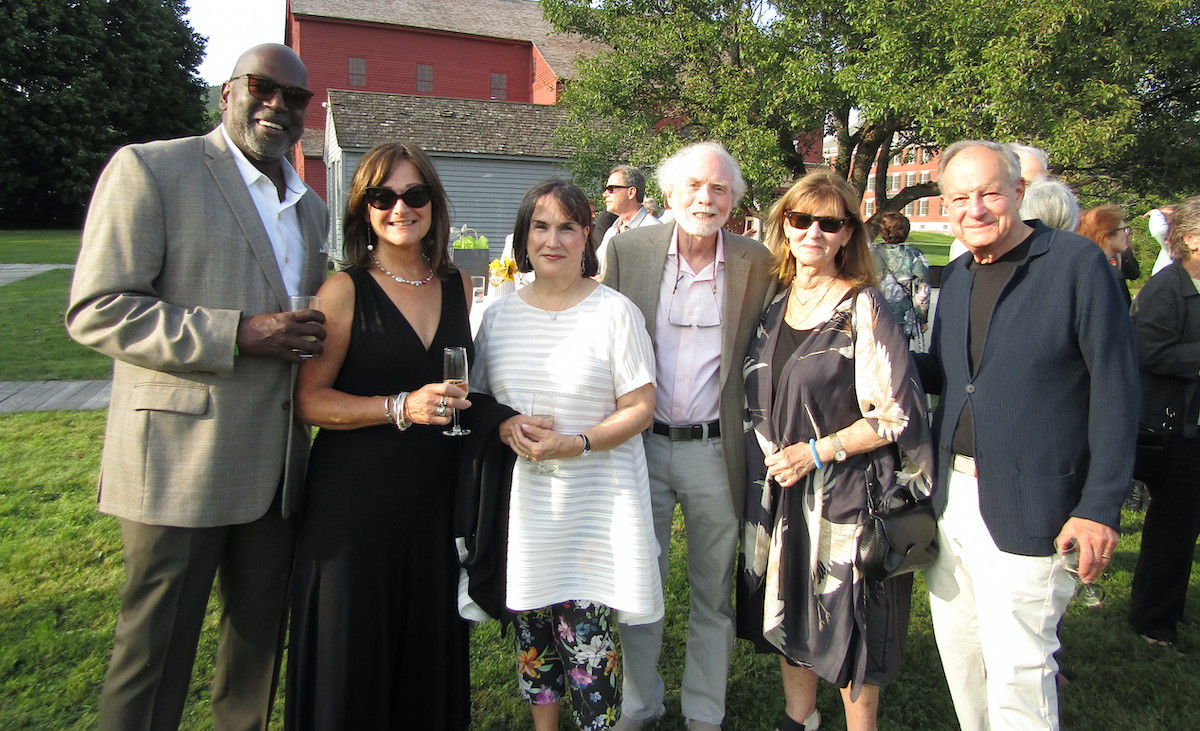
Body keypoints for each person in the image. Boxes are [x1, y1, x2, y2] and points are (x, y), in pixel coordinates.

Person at [65, 44, 327, 729]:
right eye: (263, 88)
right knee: (152, 652)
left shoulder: (309, 208)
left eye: (294, 98)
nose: (278, 105)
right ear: (226, 92)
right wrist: (237, 333)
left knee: (256, 648)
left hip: (275, 469)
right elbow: (98, 308)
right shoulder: (152, 169)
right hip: (179, 463)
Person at [924, 141, 1138, 730]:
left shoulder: (1074, 264)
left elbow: (1117, 390)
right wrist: (863, 351)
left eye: (990, 193)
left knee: (1018, 668)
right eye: (960, 197)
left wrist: (1100, 507)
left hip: (1036, 499)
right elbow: (948, 374)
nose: (976, 208)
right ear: (945, 205)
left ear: (1018, 193)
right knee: (963, 656)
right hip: (954, 497)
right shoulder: (962, 273)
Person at [284, 143, 474, 728]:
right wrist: (400, 406)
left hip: (434, 501)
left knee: (426, 644)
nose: (400, 208)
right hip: (356, 502)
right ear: (363, 209)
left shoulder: (458, 285)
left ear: (433, 205)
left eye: (414, 194)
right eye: (382, 197)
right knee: (353, 649)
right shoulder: (344, 290)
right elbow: (308, 401)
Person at [739, 171, 934, 731]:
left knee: (849, 626)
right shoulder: (774, 306)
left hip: (844, 493)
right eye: (801, 220)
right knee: (790, 607)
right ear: (785, 225)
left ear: (849, 234)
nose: (813, 233)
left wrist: (817, 451)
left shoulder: (863, 308)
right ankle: (799, 720)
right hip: (781, 490)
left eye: (830, 223)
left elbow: (895, 414)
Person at [472, 179, 662, 730]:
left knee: (588, 647)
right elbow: (481, 399)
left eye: (567, 227)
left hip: (593, 509)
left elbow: (641, 407)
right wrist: (506, 424)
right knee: (533, 643)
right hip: (527, 511)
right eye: (541, 226)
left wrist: (575, 443)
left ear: (587, 237)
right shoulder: (500, 316)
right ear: (523, 235)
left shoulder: (615, 313)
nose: (552, 240)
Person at [605, 141, 776, 731]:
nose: (706, 198)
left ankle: (705, 709)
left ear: (735, 199)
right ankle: (639, 703)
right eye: (694, 187)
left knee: (714, 589)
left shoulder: (758, 262)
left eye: (720, 189)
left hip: (716, 449)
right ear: (670, 194)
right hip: (640, 446)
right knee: (637, 581)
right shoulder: (629, 251)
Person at [1128, 196, 1200, 649]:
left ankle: (1169, 608)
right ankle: (1153, 620)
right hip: (1174, 430)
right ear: (1192, 240)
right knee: (1172, 527)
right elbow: (1145, 352)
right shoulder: (1167, 288)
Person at [948, 142, 1050, 261]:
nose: (1037, 193)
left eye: (1041, 184)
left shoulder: (1071, 254)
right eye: (1029, 185)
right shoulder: (965, 256)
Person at [870, 210, 931, 348]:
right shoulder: (914, 255)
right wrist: (922, 319)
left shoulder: (870, 254)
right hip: (903, 318)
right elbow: (923, 288)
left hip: (874, 315)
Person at [597, 165, 662, 278]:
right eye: (605, 189)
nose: (605, 194)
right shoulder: (612, 231)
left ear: (631, 192)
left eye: (611, 189)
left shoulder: (654, 231)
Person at [1078, 204, 1139, 307]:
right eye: (1123, 230)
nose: (1126, 234)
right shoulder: (1108, 274)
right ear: (1106, 234)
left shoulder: (1080, 267)